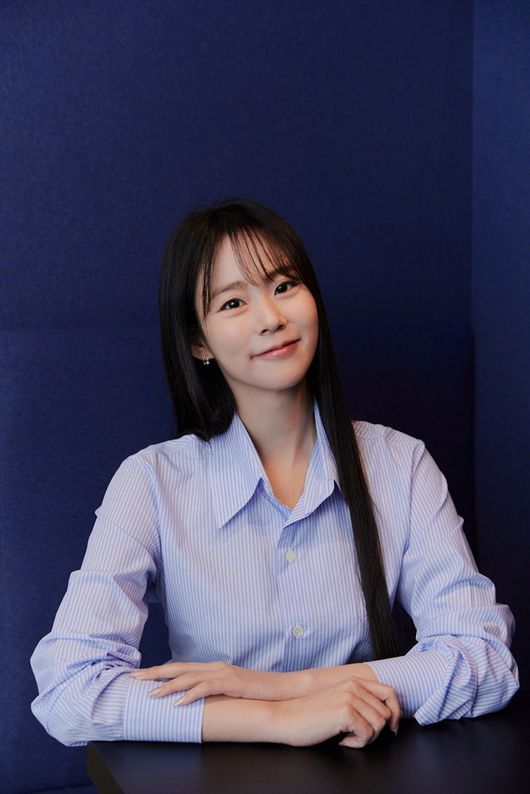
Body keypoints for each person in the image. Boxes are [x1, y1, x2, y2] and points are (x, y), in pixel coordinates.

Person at [31, 198, 518, 749]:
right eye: (234, 302)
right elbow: (69, 692)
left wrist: (286, 687)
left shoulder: (400, 463)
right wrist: (278, 719)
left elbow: (486, 660)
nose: (272, 318)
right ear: (198, 342)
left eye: (285, 286)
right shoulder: (152, 481)